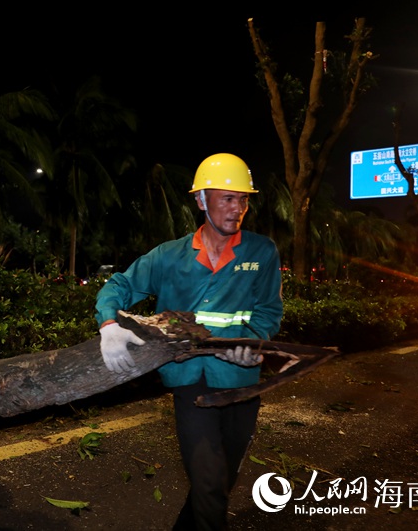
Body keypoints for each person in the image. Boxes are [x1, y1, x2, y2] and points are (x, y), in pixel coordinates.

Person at [94, 153, 284, 531]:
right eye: (227, 198)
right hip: (189, 382)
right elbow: (120, 285)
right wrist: (109, 323)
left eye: (243, 199)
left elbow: (268, 312)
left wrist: (255, 343)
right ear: (201, 200)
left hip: (241, 385)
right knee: (210, 483)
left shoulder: (261, 253)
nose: (237, 208)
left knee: (218, 482)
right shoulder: (169, 256)